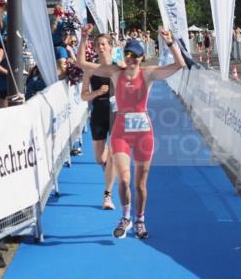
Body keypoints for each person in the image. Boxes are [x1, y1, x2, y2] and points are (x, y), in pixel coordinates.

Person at [78, 25, 186, 240]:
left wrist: (170, 42)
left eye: (135, 56)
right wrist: (83, 38)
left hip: (144, 134)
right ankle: (125, 218)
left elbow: (180, 64)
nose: (131, 60)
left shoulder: (148, 73)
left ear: (141, 57)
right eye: (128, 55)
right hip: (121, 133)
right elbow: (82, 63)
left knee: (140, 184)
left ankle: (140, 220)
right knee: (124, 180)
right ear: (124, 56)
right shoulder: (114, 73)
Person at [81, 32, 119, 209]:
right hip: (98, 113)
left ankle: (107, 196)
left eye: (104, 44)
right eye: (98, 45)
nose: (101, 47)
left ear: (110, 46)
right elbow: (83, 96)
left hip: (116, 113)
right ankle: (108, 168)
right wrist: (97, 92)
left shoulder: (118, 68)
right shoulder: (91, 69)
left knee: (113, 155)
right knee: (99, 158)